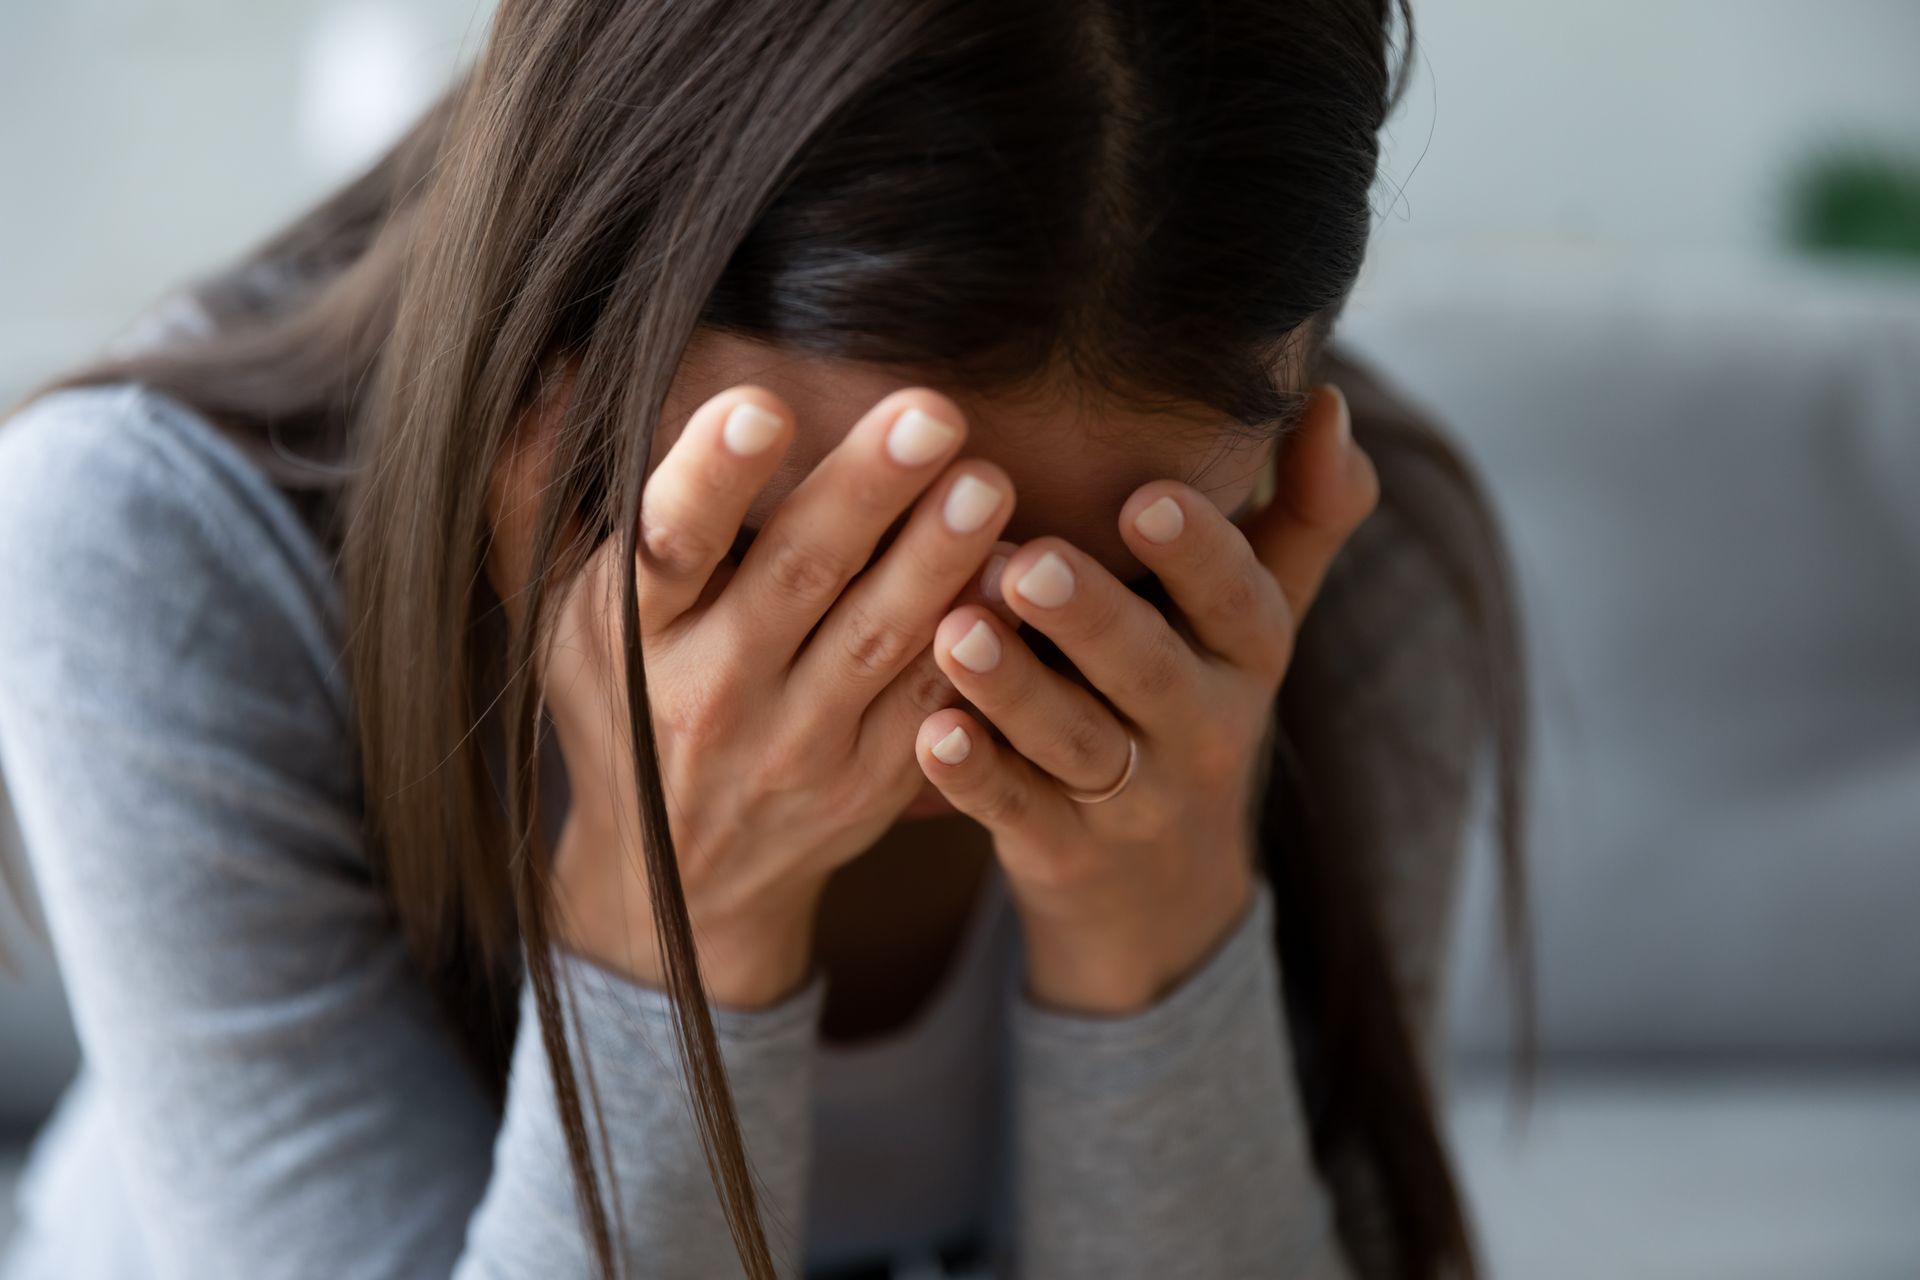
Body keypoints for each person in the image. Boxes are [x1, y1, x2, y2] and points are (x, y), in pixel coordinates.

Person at [0, 1, 1530, 1277]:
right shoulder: (147, 539)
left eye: (1113, 585)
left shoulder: (1340, 566)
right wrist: (670, 913)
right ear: (562, 326)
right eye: (837, 550)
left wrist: (1159, 914)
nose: (951, 668)